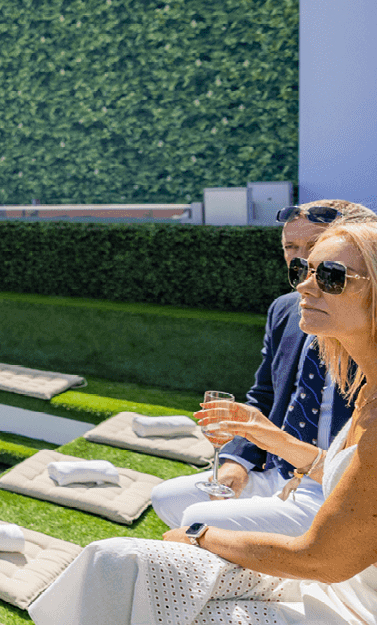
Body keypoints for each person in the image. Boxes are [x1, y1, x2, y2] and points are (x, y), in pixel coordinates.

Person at [29, 217, 377, 624]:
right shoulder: (365, 390)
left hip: (346, 604)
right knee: (115, 559)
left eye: (332, 277)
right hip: (326, 581)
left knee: (170, 564)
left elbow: (321, 561)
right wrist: (258, 435)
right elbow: (340, 471)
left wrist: (199, 536)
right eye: (301, 270)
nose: (303, 285)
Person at [151, 199, 374, 534]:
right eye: (291, 247)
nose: (300, 262)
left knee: (197, 522)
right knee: (166, 497)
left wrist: (271, 438)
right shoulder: (285, 310)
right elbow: (265, 394)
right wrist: (236, 462)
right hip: (280, 469)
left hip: (333, 479)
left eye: (313, 247)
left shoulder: (362, 329)